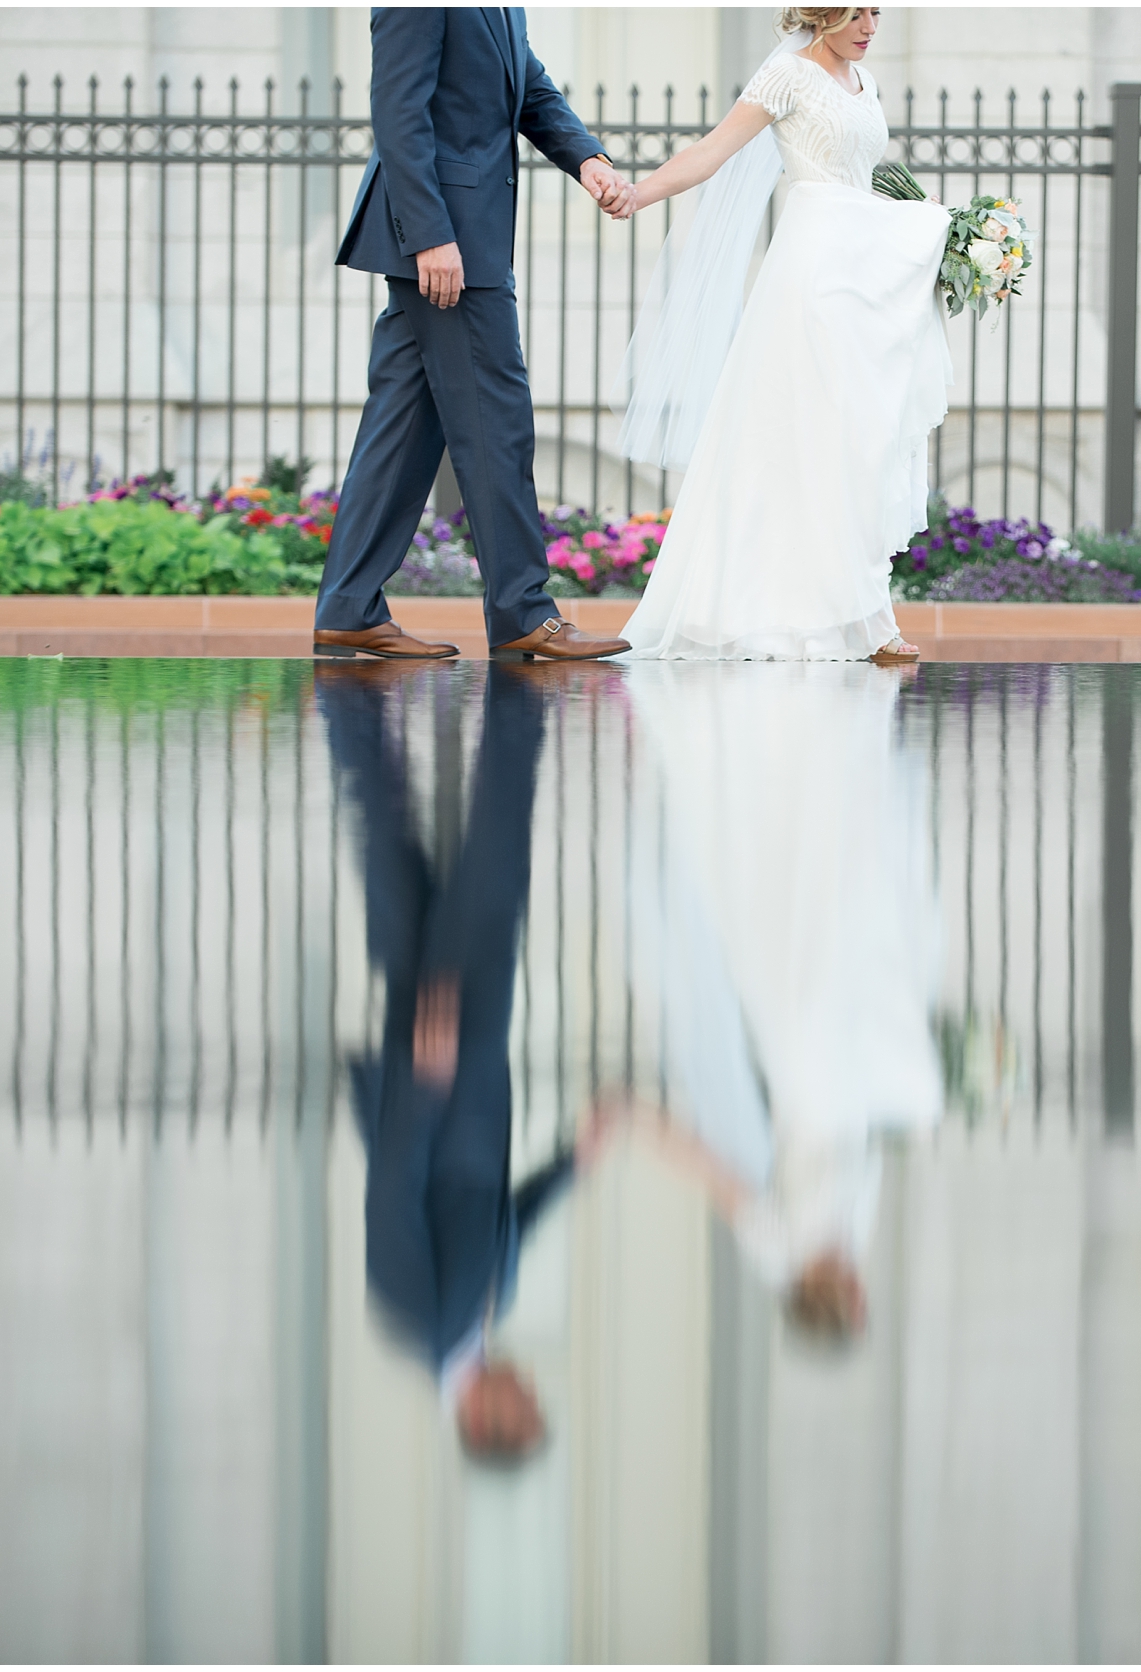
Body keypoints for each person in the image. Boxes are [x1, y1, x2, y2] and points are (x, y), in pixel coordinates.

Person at [605, 661, 946, 1341]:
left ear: (835, 1302)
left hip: (814, 1086)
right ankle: (842, 777)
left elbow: (720, 1177)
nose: (861, 1287)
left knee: (820, 941)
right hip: (850, 1086)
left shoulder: (782, 1248)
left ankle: (794, 777)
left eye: (856, 1301)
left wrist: (637, 1121)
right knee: (867, 942)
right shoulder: (848, 1239)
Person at [611, 7, 949, 663]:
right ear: (820, 14)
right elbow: (713, 152)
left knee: (858, 444)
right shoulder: (786, 76)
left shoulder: (866, 82)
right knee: (807, 438)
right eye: (854, 12)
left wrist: (935, 232)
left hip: (864, 279)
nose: (869, 24)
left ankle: (866, 616)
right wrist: (639, 193)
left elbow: (861, 185)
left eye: (875, 11)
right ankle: (800, 616)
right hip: (813, 274)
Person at [315, 7, 636, 664]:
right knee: (498, 418)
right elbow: (398, 114)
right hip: (447, 240)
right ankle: (523, 611)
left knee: (403, 425)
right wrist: (430, 235)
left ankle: (348, 608)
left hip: (467, 235)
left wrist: (587, 158)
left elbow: (531, 85)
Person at [318, 659, 569, 1461]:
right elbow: (506, 1221)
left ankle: (520, 698)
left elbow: (394, 1190)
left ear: (486, 1421)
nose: (531, 1387)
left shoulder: (417, 1318)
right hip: (458, 1061)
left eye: (525, 1407)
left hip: (446, 1063)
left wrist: (427, 1083)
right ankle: (349, 703)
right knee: (393, 862)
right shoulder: (475, 1323)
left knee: (491, 878)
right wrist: (575, 1162)